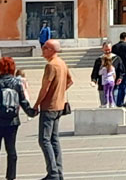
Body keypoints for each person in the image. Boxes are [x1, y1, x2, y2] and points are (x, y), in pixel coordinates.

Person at [0, 56, 36, 180]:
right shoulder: (17, 83)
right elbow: (23, 101)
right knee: (11, 150)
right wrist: (31, 112)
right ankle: (11, 176)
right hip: (12, 121)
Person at [33, 39, 73, 180]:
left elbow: (45, 87)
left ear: (51, 50)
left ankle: (53, 173)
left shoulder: (51, 66)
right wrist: (60, 92)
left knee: (44, 140)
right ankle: (58, 172)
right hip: (60, 106)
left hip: (49, 106)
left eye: (45, 48)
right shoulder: (62, 63)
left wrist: (37, 103)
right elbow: (70, 81)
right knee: (54, 139)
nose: (42, 50)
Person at [91, 42, 124, 107]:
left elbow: (121, 70)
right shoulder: (99, 60)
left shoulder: (117, 59)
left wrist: (120, 78)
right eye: (106, 50)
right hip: (102, 84)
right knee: (104, 103)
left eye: (108, 49)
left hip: (113, 84)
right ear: (102, 49)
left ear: (111, 49)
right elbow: (95, 72)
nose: (107, 51)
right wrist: (94, 80)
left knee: (113, 101)